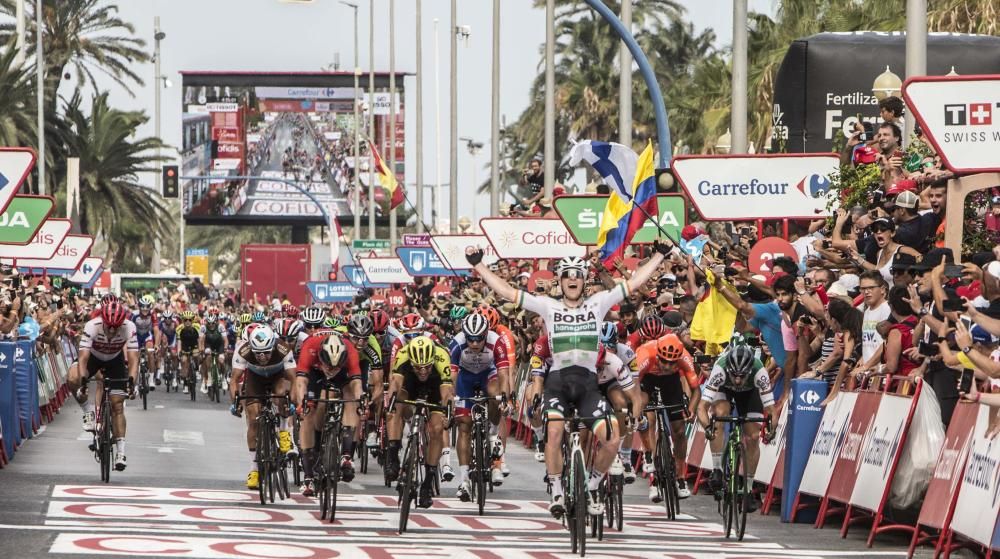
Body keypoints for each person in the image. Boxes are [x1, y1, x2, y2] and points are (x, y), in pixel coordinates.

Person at [465, 241, 669, 518]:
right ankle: (558, 489)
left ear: (584, 281)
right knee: (554, 431)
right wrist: (478, 266)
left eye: (578, 274)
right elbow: (508, 292)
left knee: (612, 438)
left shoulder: (598, 303)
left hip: (587, 384)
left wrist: (658, 256)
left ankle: (592, 484)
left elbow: (633, 285)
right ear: (560, 281)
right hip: (558, 381)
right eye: (567, 274)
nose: (573, 278)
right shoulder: (548, 306)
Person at [697, 340, 776, 512]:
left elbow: (771, 410)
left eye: (742, 376)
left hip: (750, 393)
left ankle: (747, 489)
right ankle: (717, 469)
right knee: (720, 414)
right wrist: (708, 428)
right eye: (735, 375)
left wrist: (771, 429)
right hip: (724, 389)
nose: (738, 380)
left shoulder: (759, 372)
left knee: (753, 436)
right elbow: (701, 408)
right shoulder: (720, 369)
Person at [67, 301, 139, 471]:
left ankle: (121, 453)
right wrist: (83, 383)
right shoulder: (92, 326)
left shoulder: (129, 327)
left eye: (116, 327)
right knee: (72, 378)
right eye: (109, 327)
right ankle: (87, 413)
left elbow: (134, 358)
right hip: (94, 357)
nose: (113, 331)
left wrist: (131, 382)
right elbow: (83, 358)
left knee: (117, 405)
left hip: (115, 360)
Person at [385, 335, 454, 509]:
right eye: (418, 367)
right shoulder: (403, 354)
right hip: (410, 384)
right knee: (396, 405)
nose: (423, 371)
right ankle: (393, 456)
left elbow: (446, 392)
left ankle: (427, 484)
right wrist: (391, 405)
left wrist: (448, 412)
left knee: (437, 429)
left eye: (426, 367)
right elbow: (395, 383)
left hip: (434, 387)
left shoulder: (441, 356)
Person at [292, 333, 364, 496]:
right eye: (329, 366)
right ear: (321, 356)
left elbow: (357, 384)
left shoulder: (350, 350)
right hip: (315, 373)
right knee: (308, 413)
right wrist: (302, 402)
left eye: (336, 366)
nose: (331, 370)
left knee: (351, 398)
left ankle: (347, 456)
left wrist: (362, 400)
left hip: (343, 377)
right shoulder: (310, 347)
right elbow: (301, 382)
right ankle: (309, 476)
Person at [228, 324, 297, 489]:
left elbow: (294, 380)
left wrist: (291, 402)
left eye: (266, 352)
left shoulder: (283, 348)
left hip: (277, 376)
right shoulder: (243, 350)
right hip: (255, 379)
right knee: (253, 419)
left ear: (272, 345)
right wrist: (235, 402)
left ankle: (284, 432)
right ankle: (254, 469)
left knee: (281, 395)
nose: (262, 357)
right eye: (258, 353)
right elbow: (234, 380)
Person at [450, 313, 511, 500]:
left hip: (488, 375)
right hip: (465, 378)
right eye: (471, 339)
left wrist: (505, 399)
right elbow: (451, 377)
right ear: (464, 335)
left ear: (486, 335)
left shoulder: (497, 342)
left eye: (479, 339)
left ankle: (492, 433)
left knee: (496, 395)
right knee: (464, 427)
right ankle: (464, 480)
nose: (475, 344)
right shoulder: (456, 343)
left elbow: (504, 374)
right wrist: (451, 399)